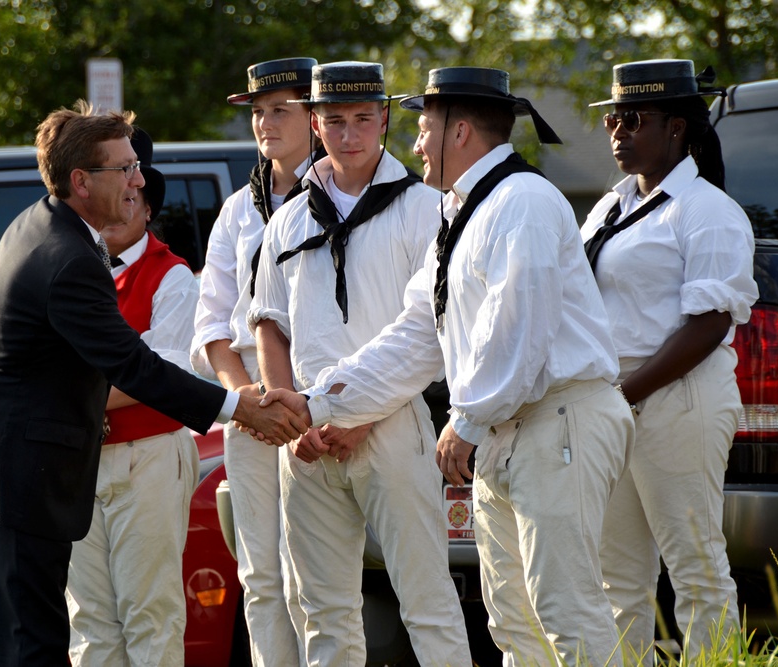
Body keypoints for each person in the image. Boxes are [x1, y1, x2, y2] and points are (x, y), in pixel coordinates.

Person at [269, 66, 635, 666]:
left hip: (557, 418)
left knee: (566, 610)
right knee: (513, 617)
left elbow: (520, 333)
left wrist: (466, 419)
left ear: (459, 131)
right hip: (507, 429)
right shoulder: (462, 214)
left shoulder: (525, 201)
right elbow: (416, 336)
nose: (414, 144)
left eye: (422, 126)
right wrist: (317, 403)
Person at [0, 101, 307, 667]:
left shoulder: (40, 223)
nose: (139, 179)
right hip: (18, 473)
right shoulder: (69, 257)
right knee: (29, 645)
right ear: (81, 181)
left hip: (18, 466)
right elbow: (134, 366)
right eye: (125, 168)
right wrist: (241, 407)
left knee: (38, 638)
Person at [247, 61, 472, 667]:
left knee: (425, 598)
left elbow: (432, 331)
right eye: (336, 121)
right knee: (322, 612)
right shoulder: (289, 216)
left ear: (385, 120)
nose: (350, 135)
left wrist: (359, 415)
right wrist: (286, 412)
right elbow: (270, 323)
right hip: (305, 440)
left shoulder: (425, 208)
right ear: (315, 123)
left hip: (391, 425)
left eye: (364, 120)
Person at [582, 59, 758, 661]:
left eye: (633, 119)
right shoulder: (611, 206)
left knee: (695, 565)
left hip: (678, 396)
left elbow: (710, 323)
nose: (616, 131)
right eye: (611, 118)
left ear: (678, 128)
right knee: (616, 575)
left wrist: (624, 393)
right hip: (615, 398)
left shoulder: (707, 211)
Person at [191, 56, 319, 666]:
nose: (265, 123)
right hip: (248, 411)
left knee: (315, 578)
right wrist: (242, 399)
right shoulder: (238, 210)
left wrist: (294, 403)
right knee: (260, 577)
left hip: (320, 407)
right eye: (259, 112)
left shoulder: (348, 197)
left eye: (281, 110)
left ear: (314, 117)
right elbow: (212, 321)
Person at [65, 127, 201, 666]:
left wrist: (65, 397)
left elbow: (157, 369)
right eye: (117, 193)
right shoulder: (73, 270)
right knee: (90, 622)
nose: (123, 207)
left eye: (133, 196)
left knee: (150, 614)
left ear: (149, 206)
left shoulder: (173, 277)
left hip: (148, 459)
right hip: (81, 460)